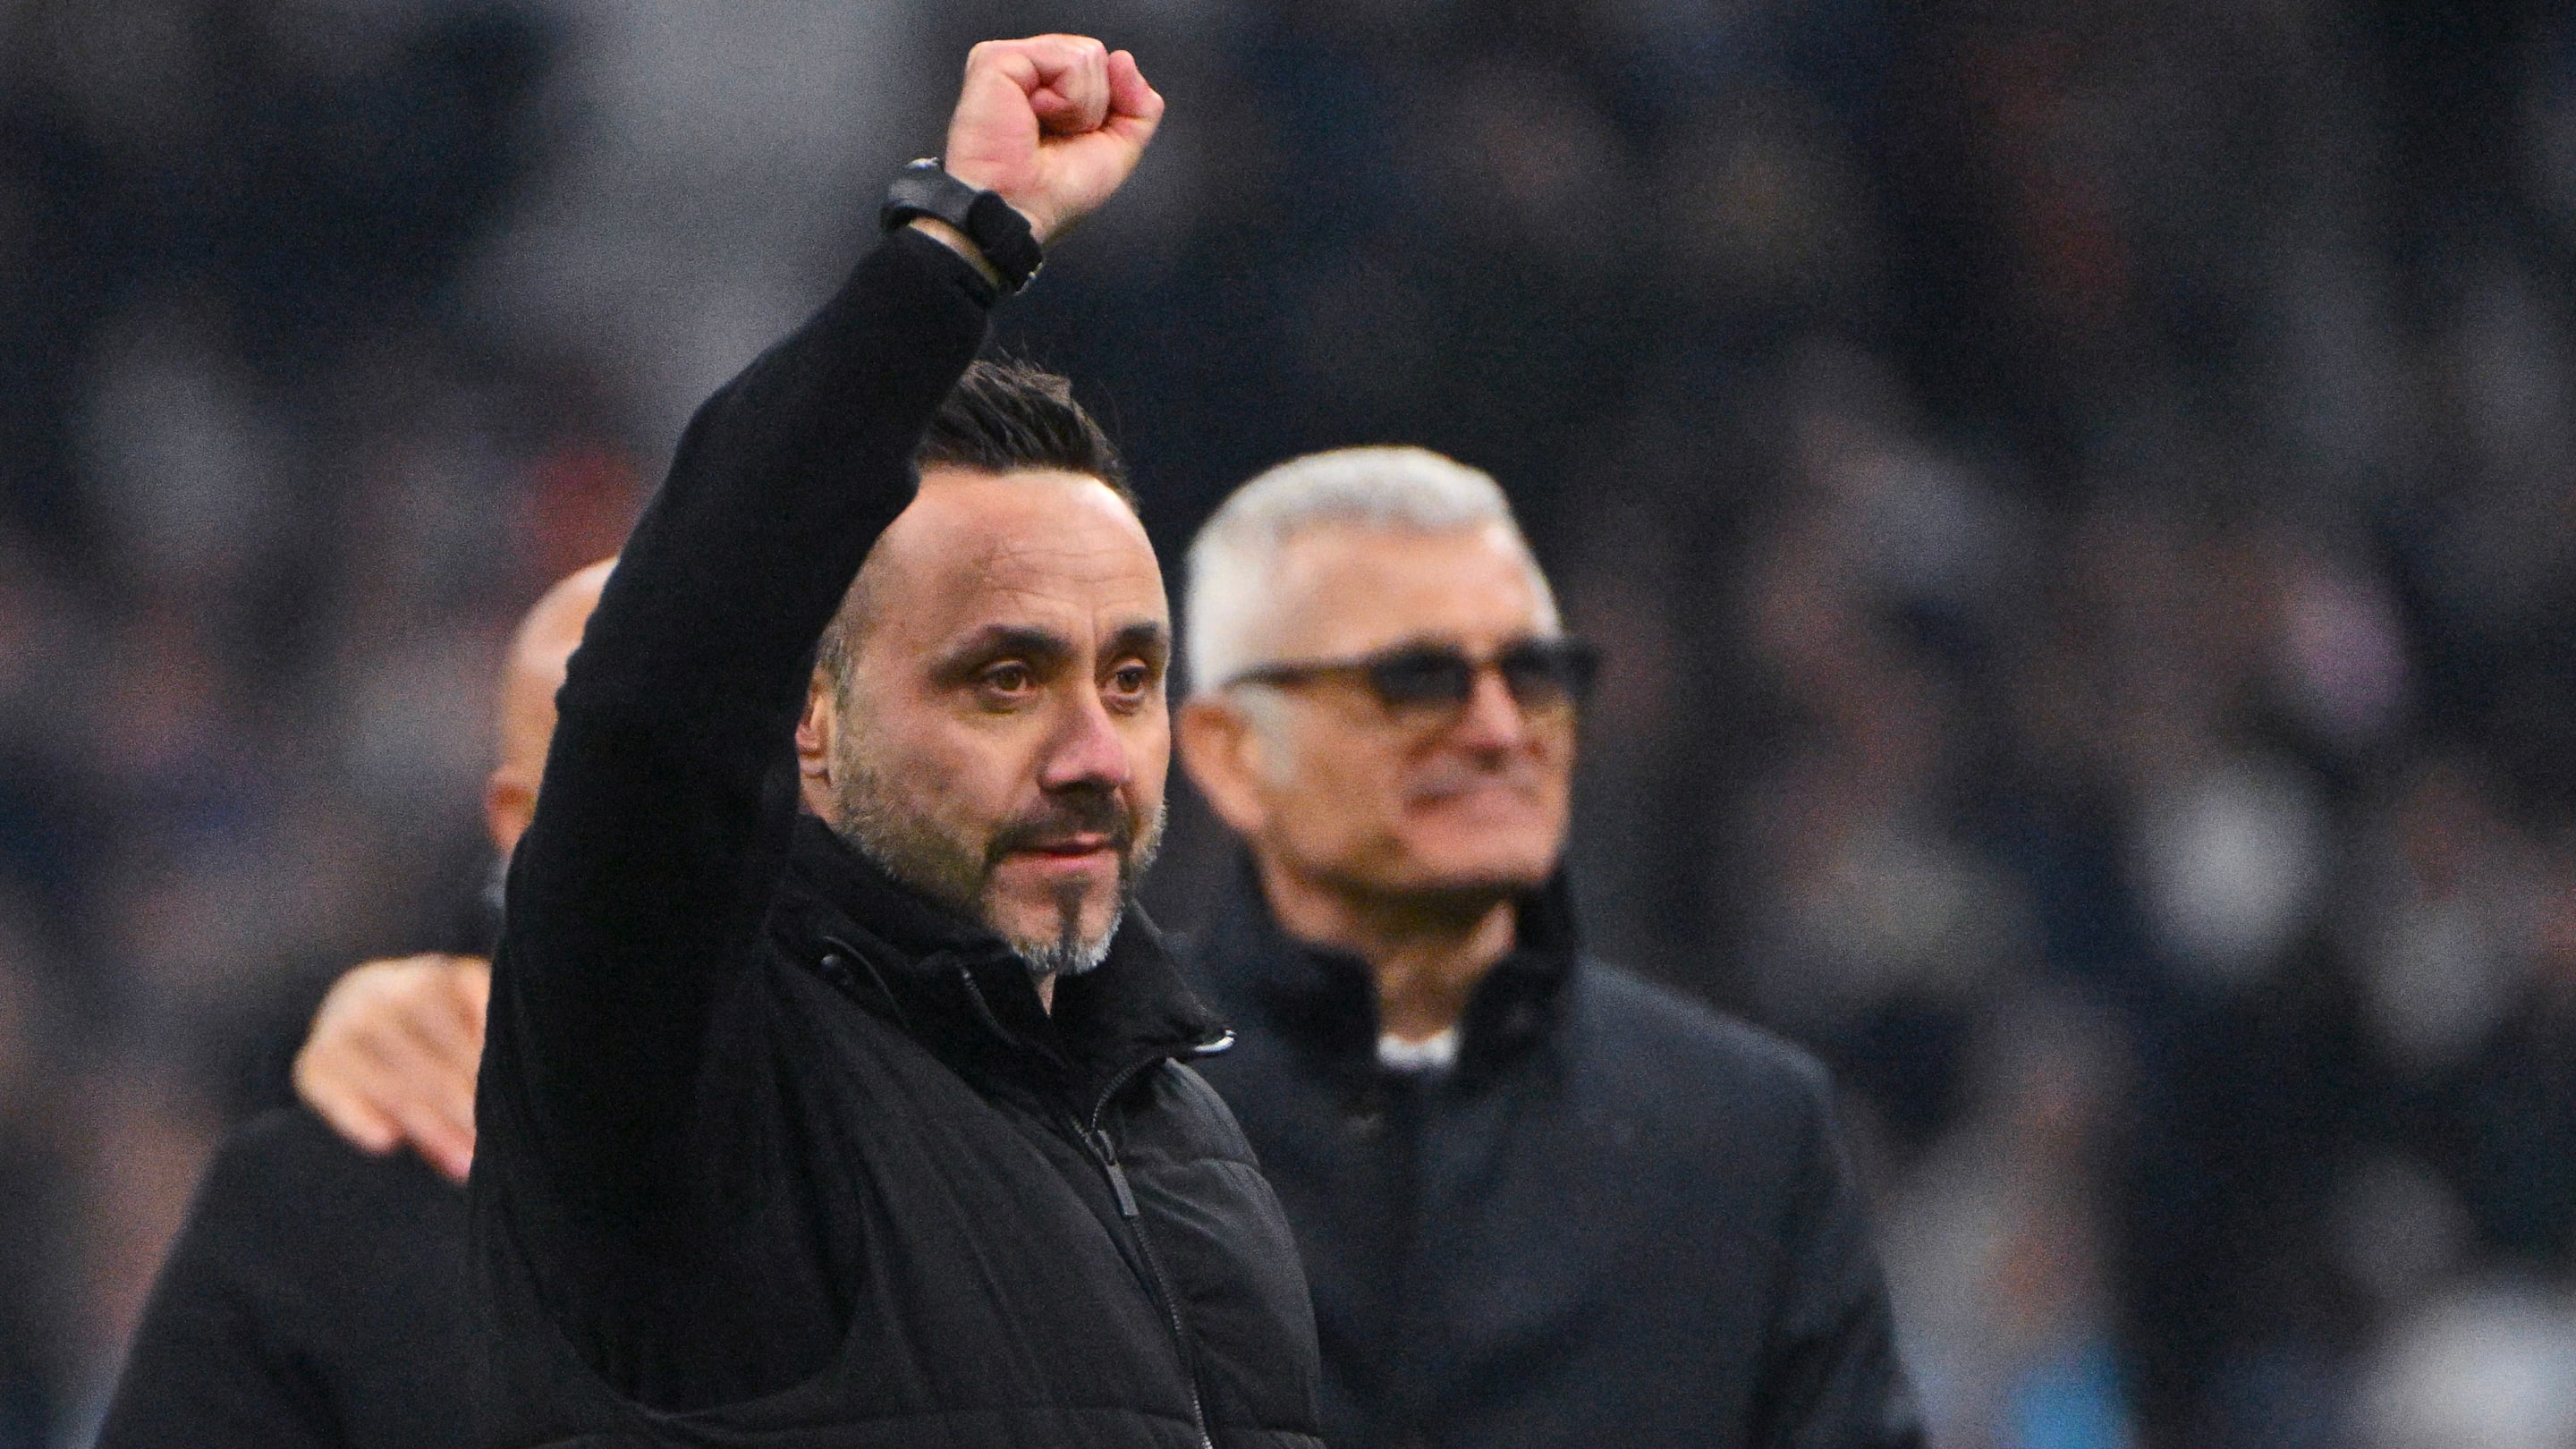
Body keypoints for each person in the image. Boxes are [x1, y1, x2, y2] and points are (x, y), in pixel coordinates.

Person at [470, 35, 1320, 1448]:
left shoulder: (1188, 1141)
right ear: (806, 720)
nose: (1094, 750)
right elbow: (656, 707)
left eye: (1131, 679)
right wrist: (950, 252)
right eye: (1004, 680)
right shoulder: (685, 1078)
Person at [1172, 445, 1924, 1449]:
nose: (1494, 731)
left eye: (1528, 673)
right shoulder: (1087, 1121)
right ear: (1237, 752)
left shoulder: (1746, 1144)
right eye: (1418, 681)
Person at [94, 559, 611, 1449]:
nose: (680, 802)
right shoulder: (327, 1195)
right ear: (514, 818)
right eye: (614, 761)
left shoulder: (898, 1117)